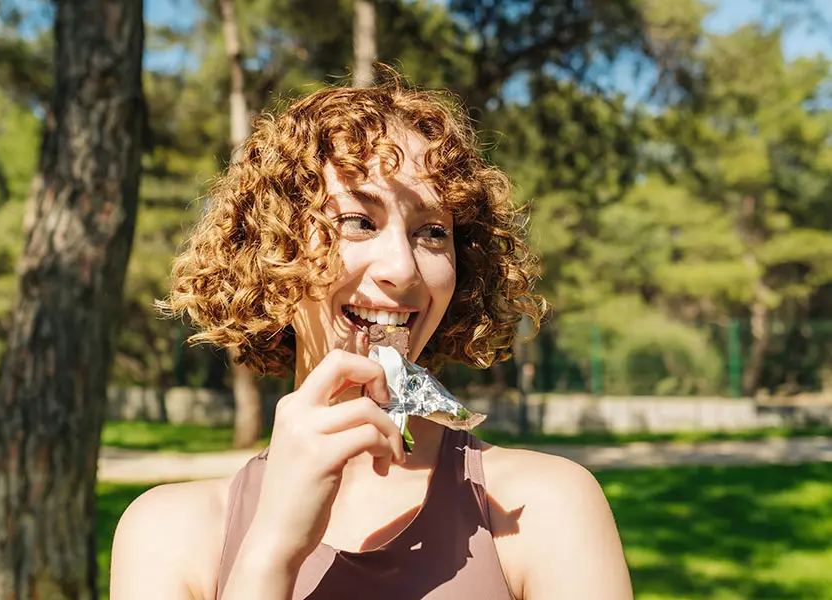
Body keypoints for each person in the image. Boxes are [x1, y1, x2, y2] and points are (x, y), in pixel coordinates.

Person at [110, 74, 634, 600]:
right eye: (359, 221)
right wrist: (271, 551)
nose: (404, 269)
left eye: (433, 232)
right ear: (274, 249)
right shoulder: (168, 533)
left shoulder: (545, 509)